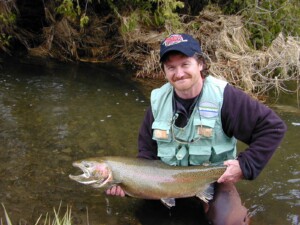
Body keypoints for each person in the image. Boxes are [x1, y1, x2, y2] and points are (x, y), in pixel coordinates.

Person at [106, 33, 287, 224]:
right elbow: (146, 154)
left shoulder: (225, 97)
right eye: (171, 67)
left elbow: (273, 128)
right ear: (164, 71)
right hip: (166, 183)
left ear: (200, 64)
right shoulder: (158, 102)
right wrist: (126, 185)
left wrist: (245, 165)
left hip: (215, 182)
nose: (179, 73)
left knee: (230, 221)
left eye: (185, 64)